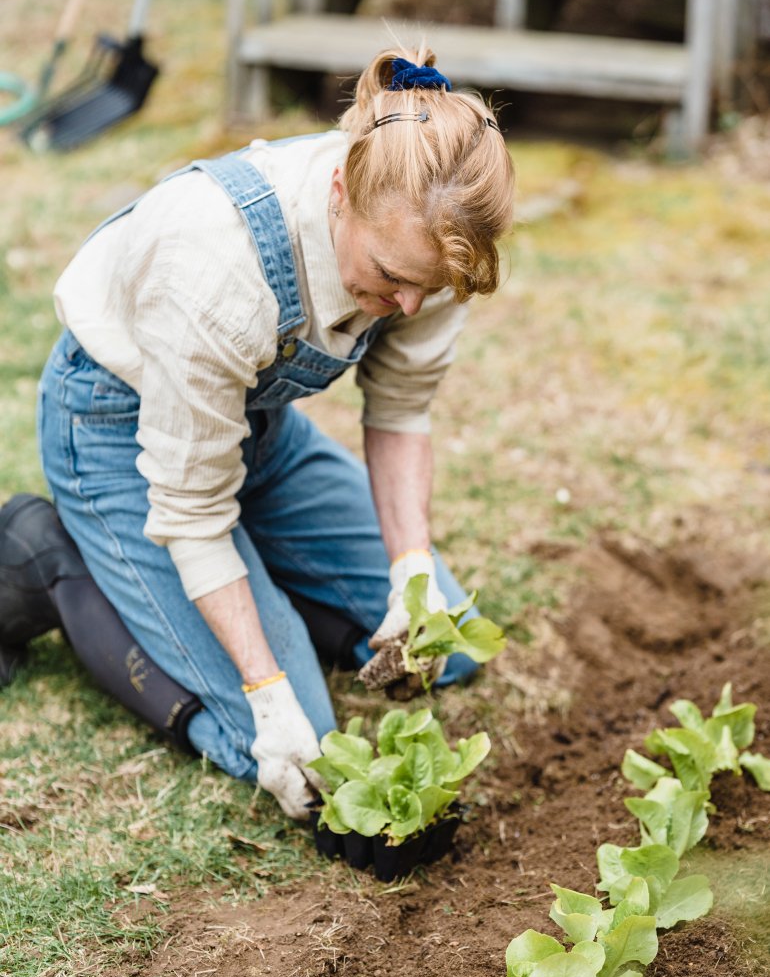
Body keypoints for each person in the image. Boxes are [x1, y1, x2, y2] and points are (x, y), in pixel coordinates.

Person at [0, 43, 515, 819]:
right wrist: (268, 693)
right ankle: (52, 560)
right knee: (294, 745)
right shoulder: (214, 269)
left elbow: (402, 407)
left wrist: (411, 569)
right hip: (120, 439)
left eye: (429, 287)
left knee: (449, 647)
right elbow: (196, 512)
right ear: (341, 190)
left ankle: (261, 575)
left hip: (255, 434)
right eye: (392, 277)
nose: (410, 306)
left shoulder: (434, 233)